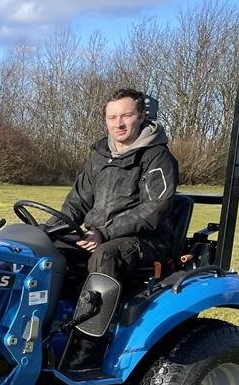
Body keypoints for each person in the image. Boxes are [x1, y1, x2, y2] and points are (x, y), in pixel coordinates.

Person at [60, 88, 179, 279]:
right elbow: (78, 202)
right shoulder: (100, 157)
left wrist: (105, 233)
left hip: (146, 239)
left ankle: (96, 309)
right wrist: (52, 229)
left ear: (141, 116)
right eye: (112, 117)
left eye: (126, 115)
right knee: (47, 248)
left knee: (105, 256)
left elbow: (153, 209)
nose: (119, 124)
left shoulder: (157, 157)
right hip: (97, 234)